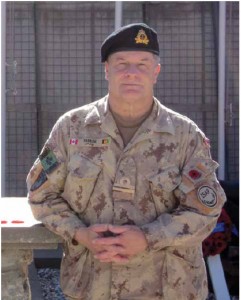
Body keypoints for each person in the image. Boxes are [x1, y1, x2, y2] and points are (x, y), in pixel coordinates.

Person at [27, 23, 226, 300]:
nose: (131, 72)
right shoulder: (71, 128)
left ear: (156, 72)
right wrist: (81, 234)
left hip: (169, 288)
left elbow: (205, 211)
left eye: (142, 64)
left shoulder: (185, 136)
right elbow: (42, 196)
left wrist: (147, 237)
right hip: (93, 286)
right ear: (106, 70)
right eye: (121, 63)